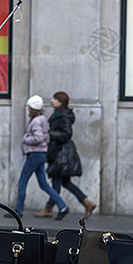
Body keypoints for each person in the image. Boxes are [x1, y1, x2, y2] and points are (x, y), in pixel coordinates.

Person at [38, 91, 96, 220]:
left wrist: (49, 134)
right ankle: (87, 203)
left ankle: (54, 208)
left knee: (57, 182)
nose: (52, 101)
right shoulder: (59, 114)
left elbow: (67, 133)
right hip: (59, 151)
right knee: (64, 182)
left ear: (61, 102)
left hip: (61, 153)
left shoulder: (63, 116)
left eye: (55, 99)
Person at [13, 95, 67, 219]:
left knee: (23, 180)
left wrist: (26, 139)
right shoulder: (42, 119)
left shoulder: (36, 121)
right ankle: (63, 206)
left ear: (33, 108)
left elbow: (39, 137)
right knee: (43, 184)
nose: (27, 109)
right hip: (40, 154)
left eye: (29, 107)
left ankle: (18, 210)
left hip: (35, 154)